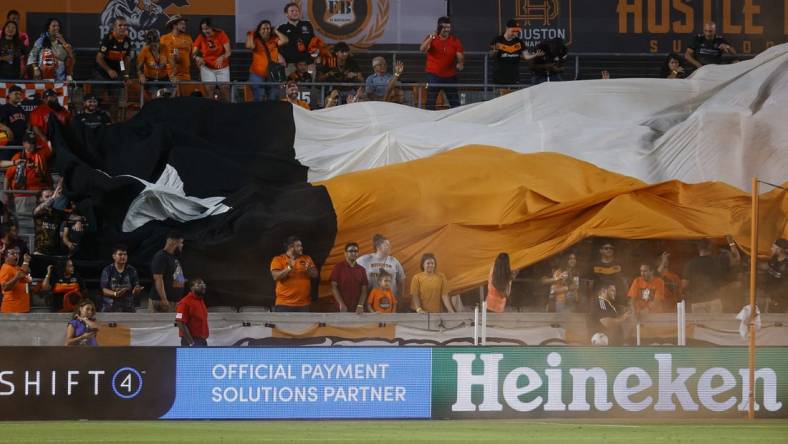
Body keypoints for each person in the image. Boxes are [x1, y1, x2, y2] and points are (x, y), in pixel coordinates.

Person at [681, 237, 741, 313]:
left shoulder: (690, 264)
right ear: (710, 248)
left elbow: (684, 284)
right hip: (714, 301)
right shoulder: (718, 261)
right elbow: (736, 259)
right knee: (716, 324)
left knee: (699, 325)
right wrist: (731, 243)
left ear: (698, 249)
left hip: (696, 302)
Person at [420, 16, 464, 110]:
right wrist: (431, 38)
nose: (447, 30)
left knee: (455, 102)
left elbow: (459, 54)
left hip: (450, 76)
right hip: (433, 75)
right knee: (430, 101)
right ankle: (429, 122)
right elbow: (422, 49)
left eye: (448, 27)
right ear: (438, 27)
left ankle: (456, 122)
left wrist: (460, 62)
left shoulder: (455, 40)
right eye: (444, 27)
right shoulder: (431, 38)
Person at [356, 234, 406, 309]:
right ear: (378, 247)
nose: (389, 247)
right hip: (371, 302)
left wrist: (400, 299)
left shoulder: (393, 261)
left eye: (389, 245)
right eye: (386, 245)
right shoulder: (365, 259)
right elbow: (352, 268)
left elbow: (402, 280)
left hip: (390, 302)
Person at [270, 235, 318, 312]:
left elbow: (315, 275)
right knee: (283, 324)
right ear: (291, 247)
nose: (301, 248)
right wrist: (289, 268)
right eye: (298, 246)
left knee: (305, 324)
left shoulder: (307, 258)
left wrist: (308, 269)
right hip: (284, 304)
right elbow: (275, 277)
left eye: (301, 245)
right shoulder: (278, 259)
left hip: (304, 304)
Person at [489, 19, 542, 86]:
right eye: (513, 30)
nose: (515, 33)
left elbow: (526, 56)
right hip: (499, 77)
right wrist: (493, 52)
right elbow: (491, 55)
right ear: (507, 28)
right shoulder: (497, 40)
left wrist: (535, 55)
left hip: (514, 78)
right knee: (500, 96)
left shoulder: (519, 42)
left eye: (517, 31)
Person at [246, 19, 288, 102]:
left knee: (273, 96)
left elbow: (285, 40)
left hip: (272, 73)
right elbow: (249, 46)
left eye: (268, 28)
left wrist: (276, 31)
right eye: (263, 29)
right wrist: (251, 34)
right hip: (257, 73)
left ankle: (271, 114)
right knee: (258, 96)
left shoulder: (274, 39)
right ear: (259, 30)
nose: (266, 30)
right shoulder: (256, 40)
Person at [149, 231, 186, 312]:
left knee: (175, 324)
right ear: (173, 242)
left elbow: (176, 276)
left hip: (174, 302)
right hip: (163, 302)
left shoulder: (173, 257)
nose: (182, 245)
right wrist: (164, 299)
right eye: (181, 242)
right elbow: (158, 278)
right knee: (162, 325)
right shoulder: (161, 256)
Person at [100, 244, 143, 312]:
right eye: (120, 254)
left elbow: (136, 285)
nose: (123, 256)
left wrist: (136, 290)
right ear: (114, 256)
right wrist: (115, 294)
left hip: (128, 307)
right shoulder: (108, 270)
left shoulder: (132, 270)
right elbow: (104, 290)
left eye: (125, 254)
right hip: (110, 307)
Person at [277, 2, 316, 75]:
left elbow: (314, 42)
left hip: (308, 63)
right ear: (286, 14)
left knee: (310, 85)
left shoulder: (307, 25)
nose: (295, 13)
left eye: (297, 11)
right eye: (292, 11)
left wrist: (316, 57)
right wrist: (279, 56)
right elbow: (274, 46)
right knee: (291, 85)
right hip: (291, 64)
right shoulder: (282, 28)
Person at [588, 240, 628, 311]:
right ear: (601, 251)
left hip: (617, 295)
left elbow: (623, 281)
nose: (609, 250)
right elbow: (591, 284)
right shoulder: (595, 265)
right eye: (606, 248)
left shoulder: (619, 264)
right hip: (601, 295)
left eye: (611, 248)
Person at [330, 242, 368, 313]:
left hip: (357, 309)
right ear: (345, 253)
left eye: (356, 251)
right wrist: (341, 304)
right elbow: (333, 287)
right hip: (340, 308)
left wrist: (360, 305)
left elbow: (364, 290)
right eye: (351, 251)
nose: (353, 253)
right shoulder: (338, 267)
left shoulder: (362, 270)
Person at [137, 29, 175, 97]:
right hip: (150, 78)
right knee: (155, 96)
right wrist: (141, 75)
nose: (153, 46)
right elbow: (138, 67)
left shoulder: (165, 47)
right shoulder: (144, 50)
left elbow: (173, 64)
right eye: (151, 45)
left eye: (155, 44)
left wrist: (173, 76)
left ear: (159, 41)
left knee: (171, 94)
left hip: (164, 77)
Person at [193, 18, 232, 85]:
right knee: (209, 89)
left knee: (224, 89)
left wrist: (222, 57)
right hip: (207, 68)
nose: (205, 31)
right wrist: (197, 58)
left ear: (212, 27)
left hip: (222, 67)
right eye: (203, 29)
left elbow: (228, 52)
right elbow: (194, 53)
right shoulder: (200, 37)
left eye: (207, 28)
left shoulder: (221, 34)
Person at [175, 278, 209, 347]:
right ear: (191, 288)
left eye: (203, 284)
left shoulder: (200, 300)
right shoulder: (184, 302)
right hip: (191, 341)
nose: (202, 286)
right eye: (199, 284)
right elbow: (179, 322)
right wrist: (191, 343)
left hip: (202, 340)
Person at [33, 185, 65, 255]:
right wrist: (53, 197)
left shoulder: (58, 213)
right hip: (40, 252)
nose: (50, 198)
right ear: (40, 198)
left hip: (55, 252)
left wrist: (78, 221)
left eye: (51, 196)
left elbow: (72, 217)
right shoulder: (38, 211)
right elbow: (38, 210)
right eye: (47, 196)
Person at [160, 15, 193, 81]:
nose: (184, 26)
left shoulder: (188, 38)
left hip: (186, 76)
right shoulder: (164, 38)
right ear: (174, 25)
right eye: (181, 24)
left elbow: (192, 55)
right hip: (170, 76)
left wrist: (197, 58)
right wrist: (172, 57)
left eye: (184, 24)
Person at [0, 247, 31, 313]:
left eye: (17, 253)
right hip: (11, 309)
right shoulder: (6, 268)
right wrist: (16, 277)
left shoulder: (16, 267)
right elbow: (4, 287)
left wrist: (26, 263)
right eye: (12, 253)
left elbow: (24, 277)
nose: (16, 255)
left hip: (22, 308)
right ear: (5, 256)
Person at [0, 85, 28, 156]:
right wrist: (7, 129)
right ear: (9, 95)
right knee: (6, 164)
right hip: (7, 144)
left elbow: (26, 124)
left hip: (21, 144)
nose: (18, 96)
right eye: (16, 94)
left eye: (20, 94)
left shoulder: (22, 110)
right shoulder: (3, 108)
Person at [762, 238, 787, 312]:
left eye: (773, 247)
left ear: (779, 249)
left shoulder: (786, 264)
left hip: (782, 300)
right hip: (771, 298)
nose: (771, 248)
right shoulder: (773, 260)